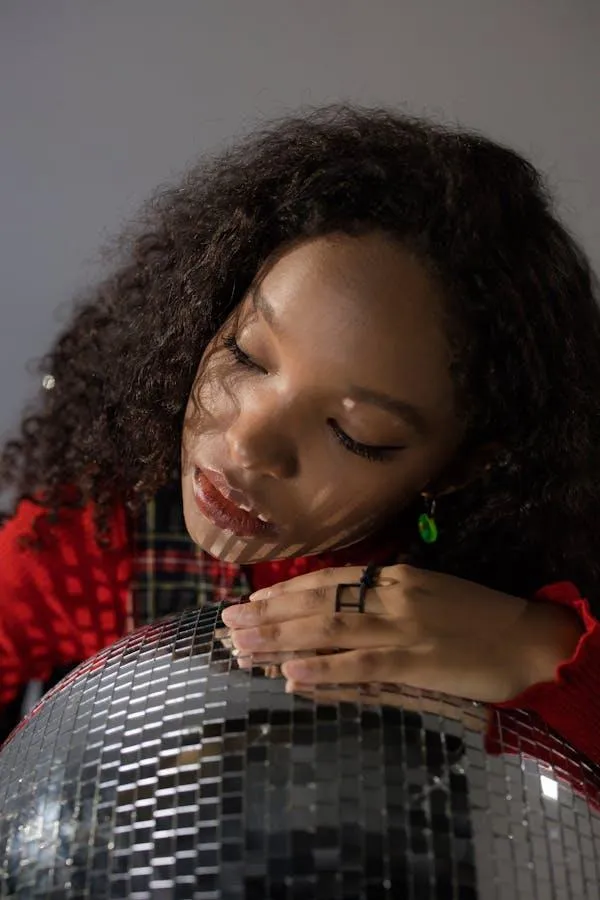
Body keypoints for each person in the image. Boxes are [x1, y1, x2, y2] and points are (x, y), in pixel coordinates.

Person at [1, 105, 599, 767]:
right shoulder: (93, 543)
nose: (248, 444)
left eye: (354, 432)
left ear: (459, 467)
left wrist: (542, 652)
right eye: (245, 356)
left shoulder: (528, 583)